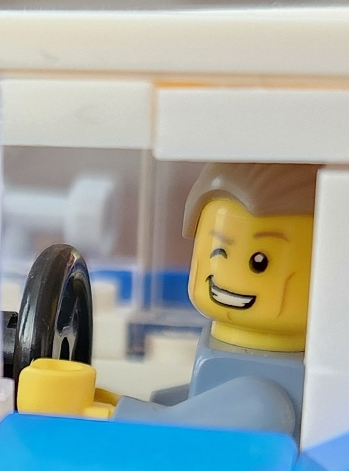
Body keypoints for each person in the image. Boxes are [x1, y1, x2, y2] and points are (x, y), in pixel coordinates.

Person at [113, 162, 318, 435]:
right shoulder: (219, 349)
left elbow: (251, 408)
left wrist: (112, 416)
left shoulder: (264, 399)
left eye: (259, 263)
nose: (229, 278)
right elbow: (207, 397)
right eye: (218, 251)